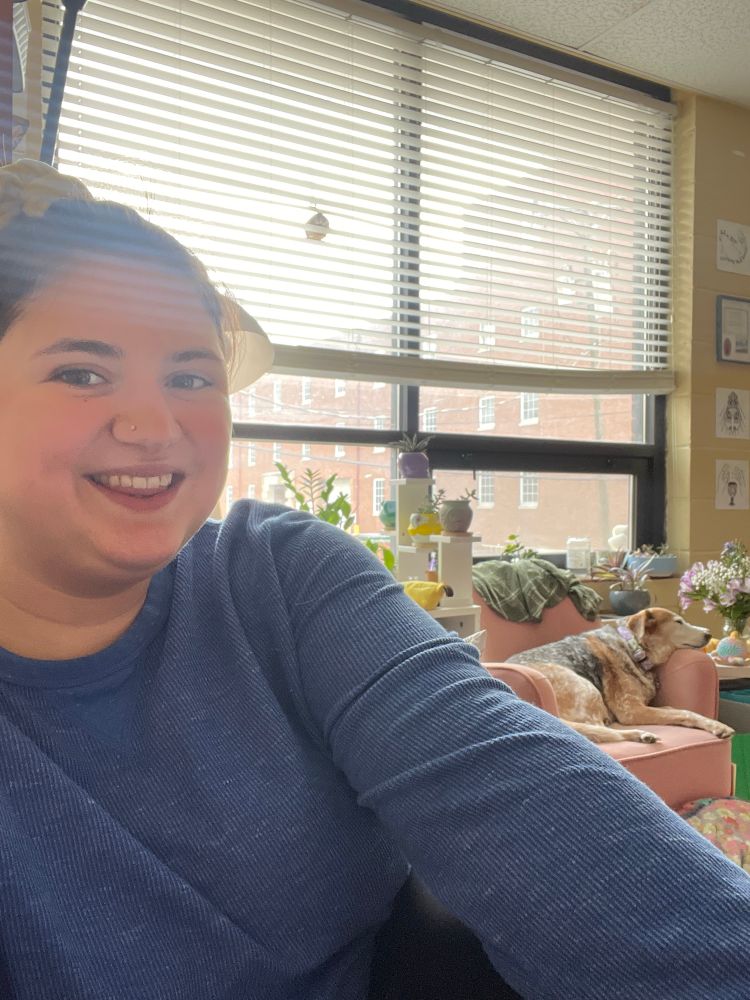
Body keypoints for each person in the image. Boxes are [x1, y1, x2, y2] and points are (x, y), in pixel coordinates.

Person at [0, 158, 748, 1000]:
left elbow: (521, 795)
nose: (153, 424)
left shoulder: (277, 577)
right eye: (80, 372)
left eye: (190, 376)